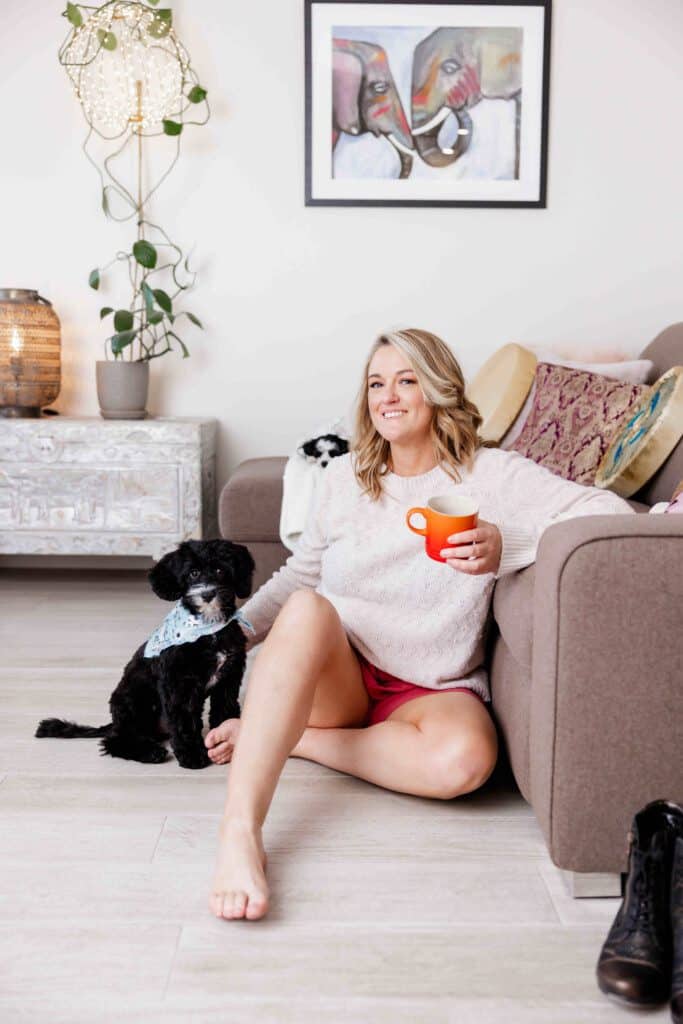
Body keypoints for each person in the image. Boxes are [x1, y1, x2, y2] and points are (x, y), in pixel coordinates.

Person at [207, 328, 634, 921]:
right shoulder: (345, 478)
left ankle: (289, 738)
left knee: (466, 765)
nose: (389, 396)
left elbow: (609, 511)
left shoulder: (492, 475)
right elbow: (300, 575)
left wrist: (504, 545)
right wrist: (228, 636)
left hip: (432, 686)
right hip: (339, 671)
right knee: (307, 607)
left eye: (407, 380)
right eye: (376, 383)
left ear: (437, 391)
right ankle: (240, 832)